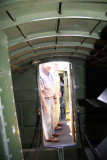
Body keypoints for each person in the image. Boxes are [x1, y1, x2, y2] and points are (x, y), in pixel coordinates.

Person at [40, 62, 59, 142]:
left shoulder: (50, 74)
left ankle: (52, 132)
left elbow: (52, 86)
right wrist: (45, 105)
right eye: (49, 66)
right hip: (46, 99)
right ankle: (48, 137)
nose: (50, 68)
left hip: (51, 99)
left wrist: (55, 97)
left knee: (51, 117)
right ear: (43, 65)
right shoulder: (40, 75)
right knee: (47, 120)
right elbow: (40, 92)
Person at [51, 62, 63, 130]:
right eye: (55, 65)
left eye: (57, 65)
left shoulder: (56, 74)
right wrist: (55, 96)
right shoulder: (51, 74)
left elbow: (58, 84)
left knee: (57, 108)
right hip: (53, 95)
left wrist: (60, 91)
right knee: (54, 110)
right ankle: (54, 125)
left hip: (57, 94)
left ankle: (56, 121)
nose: (57, 67)